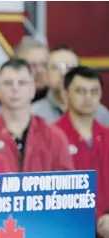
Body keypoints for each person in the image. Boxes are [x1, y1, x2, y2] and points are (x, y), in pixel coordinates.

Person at [0, 58, 74, 172]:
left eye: (22, 83)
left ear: (32, 89)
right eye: (8, 83)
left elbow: (68, 185)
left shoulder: (54, 136)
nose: (15, 88)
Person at [54, 66, 109, 237]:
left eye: (94, 91)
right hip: (67, 228)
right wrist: (96, 219)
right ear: (64, 94)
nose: (88, 98)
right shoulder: (51, 137)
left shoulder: (107, 135)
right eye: (80, 91)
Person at [31, 45, 109, 125]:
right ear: (46, 75)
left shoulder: (99, 113)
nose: (63, 73)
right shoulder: (33, 113)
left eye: (69, 67)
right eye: (56, 67)